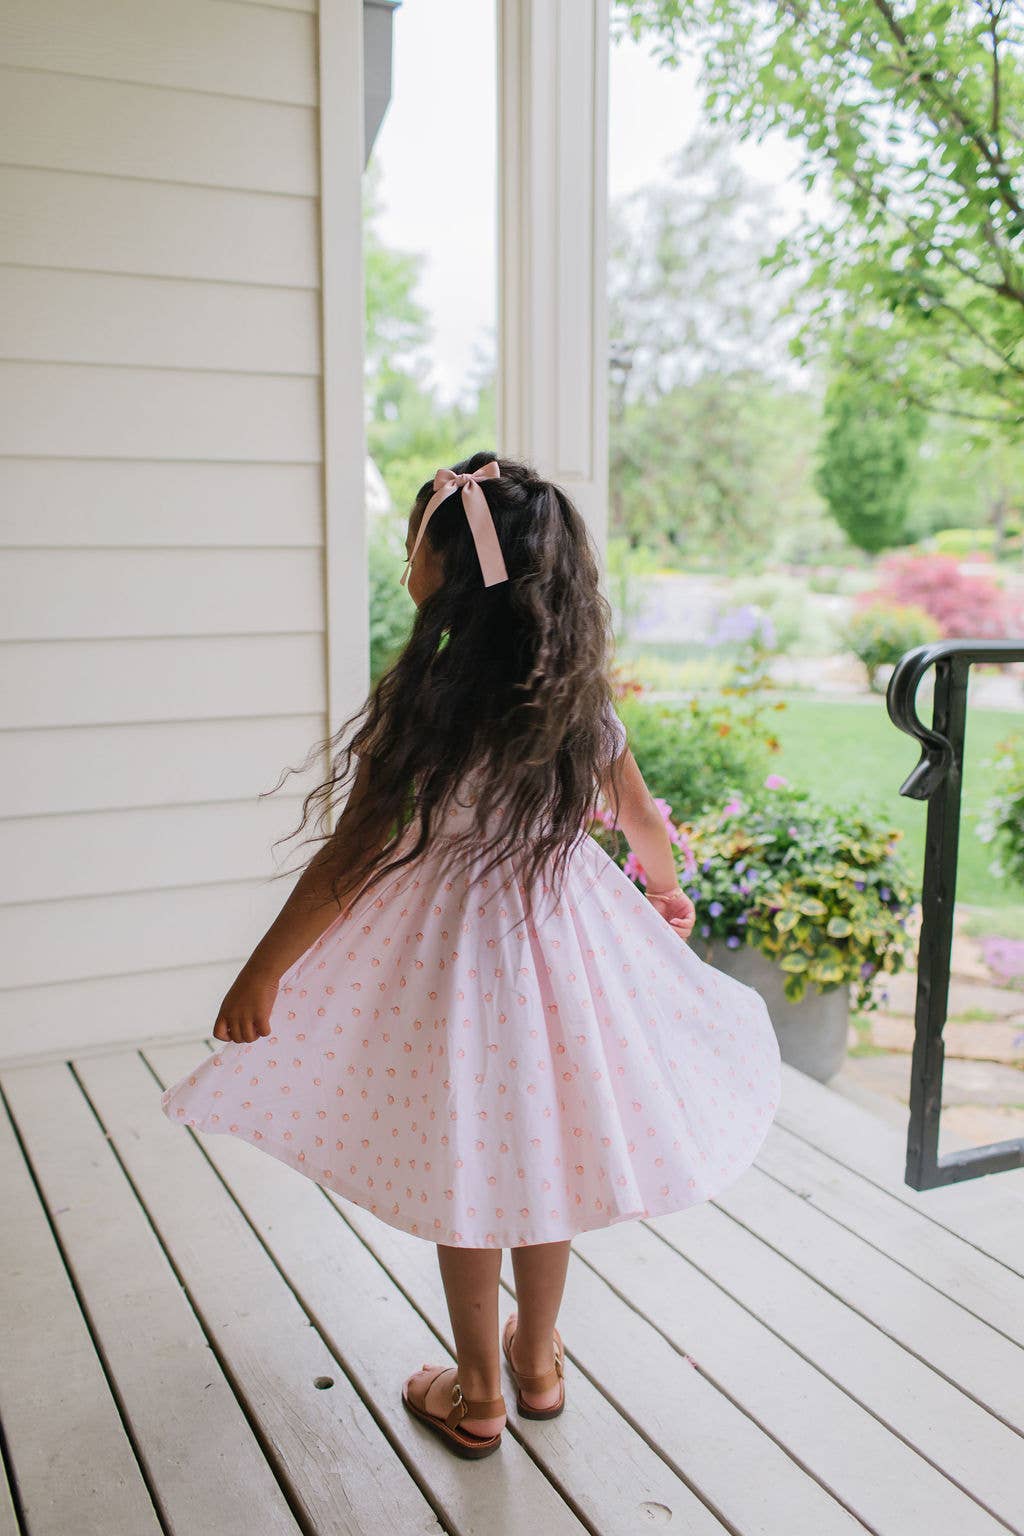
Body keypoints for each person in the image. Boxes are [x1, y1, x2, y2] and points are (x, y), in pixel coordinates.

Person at [159, 452, 782, 1460]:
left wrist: (264, 968)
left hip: (452, 958)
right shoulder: (575, 695)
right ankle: (535, 1360)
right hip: (567, 946)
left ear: (446, 567)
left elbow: (356, 850)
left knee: (474, 1160)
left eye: (415, 540)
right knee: (547, 1152)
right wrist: (662, 892)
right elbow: (639, 820)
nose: (405, 559)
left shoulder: (427, 703)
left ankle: (477, 1388)